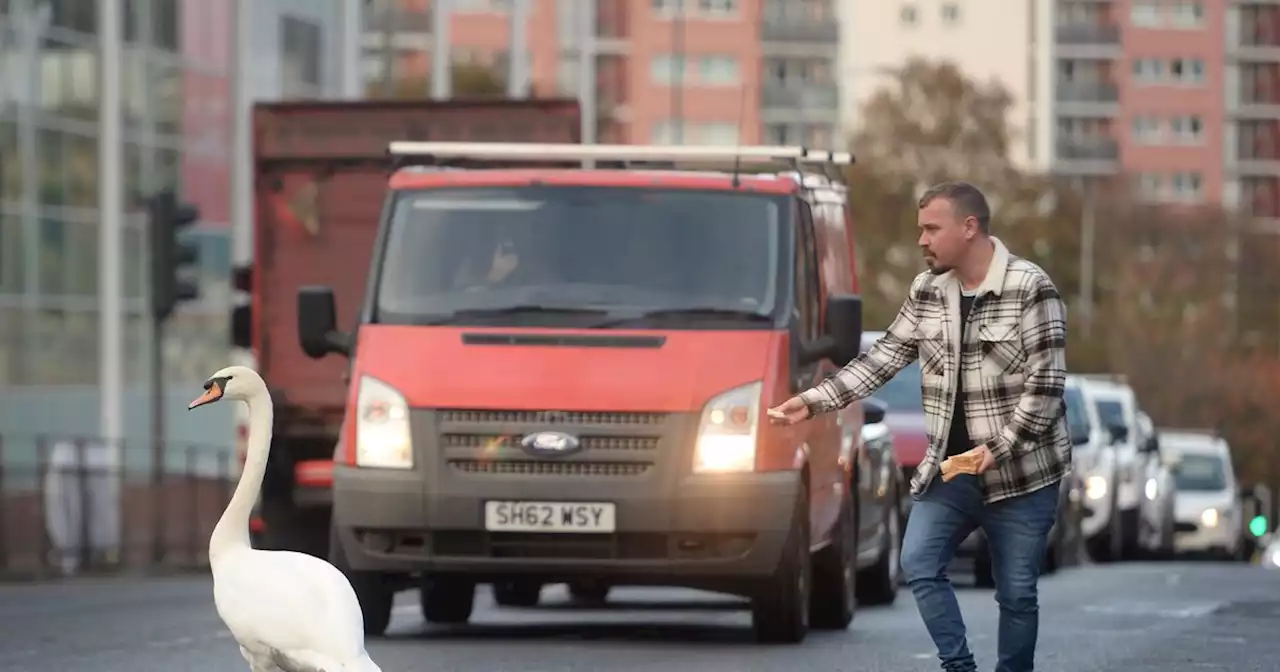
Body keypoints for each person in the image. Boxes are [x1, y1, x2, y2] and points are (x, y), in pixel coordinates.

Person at [769, 182, 1069, 672]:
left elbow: (1047, 388)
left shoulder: (1032, 288)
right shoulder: (927, 291)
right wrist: (813, 400)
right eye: (920, 230)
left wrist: (998, 447)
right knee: (919, 563)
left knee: (1016, 593)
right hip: (951, 475)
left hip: (1022, 477)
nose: (921, 240)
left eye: (932, 228)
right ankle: (959, 666)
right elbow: (882, 359)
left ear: (969, 228)